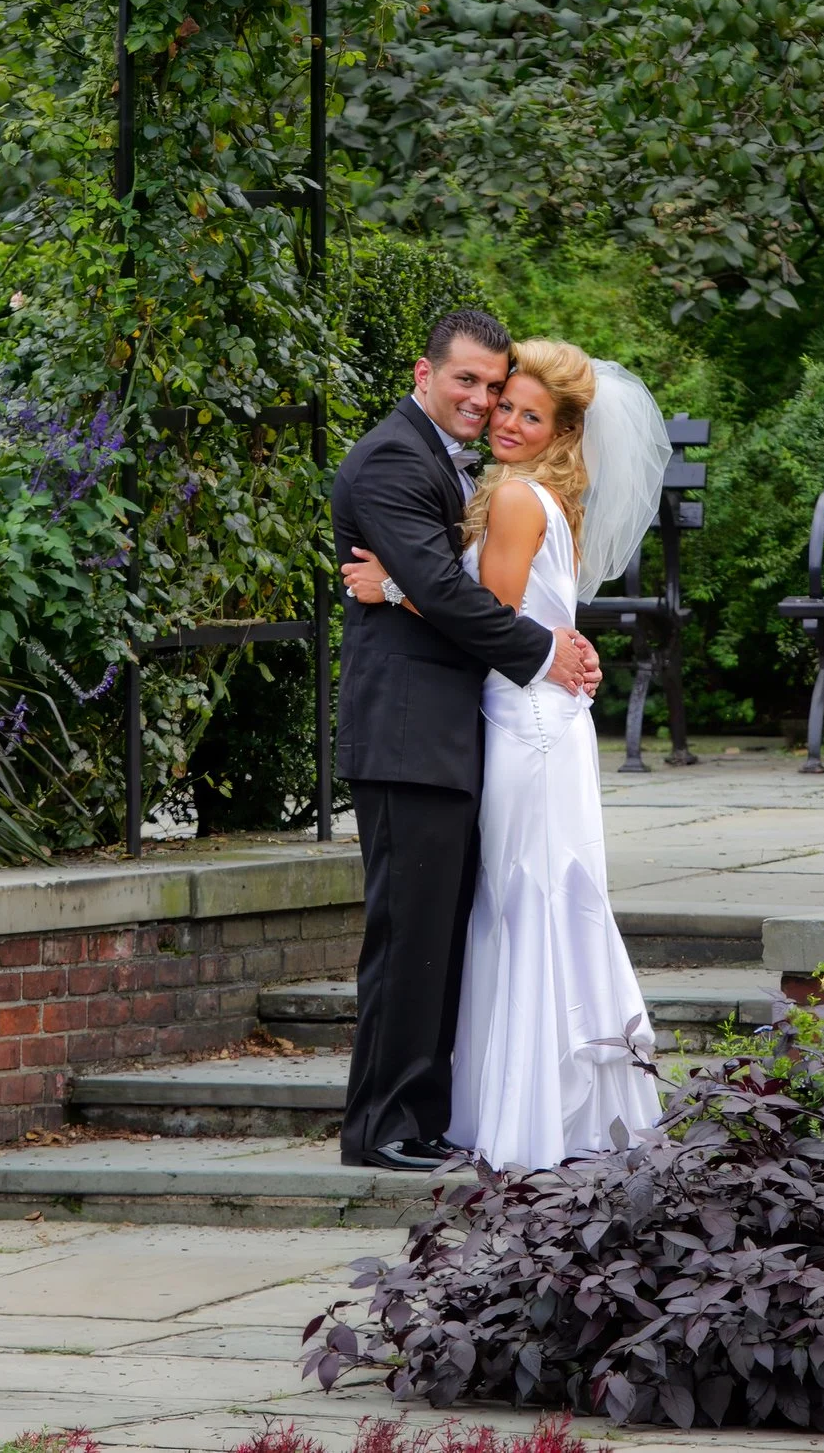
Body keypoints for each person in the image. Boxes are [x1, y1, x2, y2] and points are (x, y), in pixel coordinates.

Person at [341, 338, 669, 1170]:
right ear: (423, 374)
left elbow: (474, 601)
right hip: (461, 726)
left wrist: (397, 586)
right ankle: (401, 1123)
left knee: (521, 904)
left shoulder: (515, 494)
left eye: (518, 403)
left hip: (518, 720)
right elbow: (476, 599)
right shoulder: (405, 462)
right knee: (490, 911)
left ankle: (503, 1109)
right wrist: (544, 646)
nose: (497, 412)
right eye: (486, 391)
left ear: (560, 428)